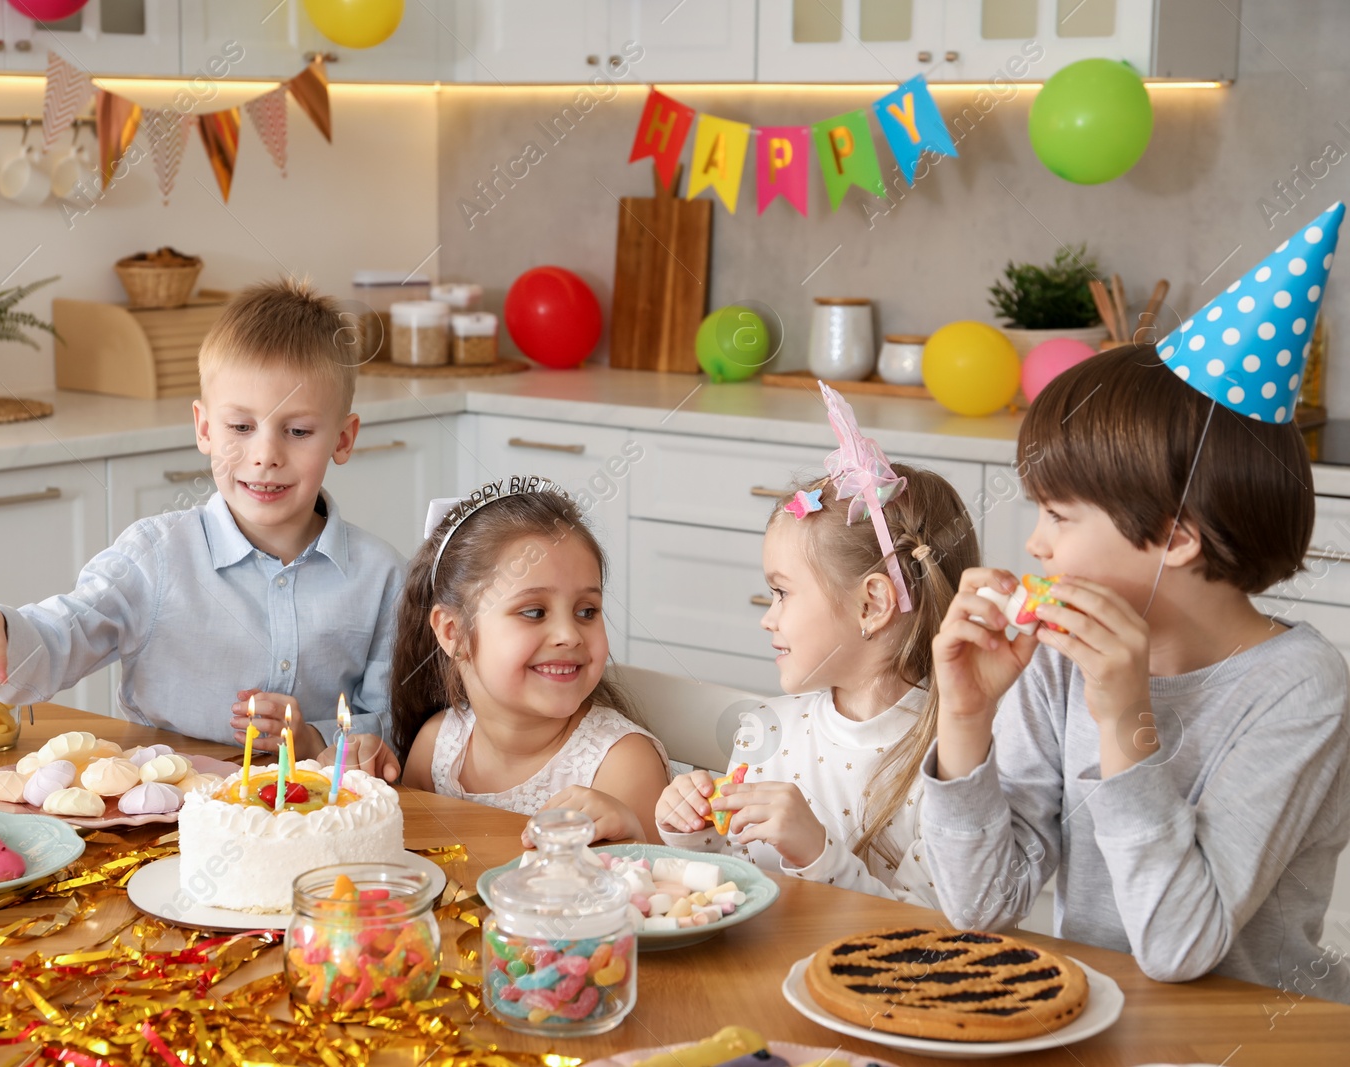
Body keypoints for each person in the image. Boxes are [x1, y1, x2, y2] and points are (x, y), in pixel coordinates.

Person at [924, 337, 1350, 997]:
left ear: (1177, 536)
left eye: (1059, 515)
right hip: (1100, 1019)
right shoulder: (1060, 658)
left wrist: (1124, 720)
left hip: (1255, 1036)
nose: (1036, 542)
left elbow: (1180, 947)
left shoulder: (1300, 688)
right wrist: (965, 718)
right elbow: (982, 908)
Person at [0, 278, 405, 777]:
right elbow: (66, 634)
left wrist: (315, 737)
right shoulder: (156, 554)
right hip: (165, 815)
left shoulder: (383, 577)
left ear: (343, 439)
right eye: (240, 427)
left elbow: (392, 720)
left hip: (315, 818)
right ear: (205, 429)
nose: (265, 456)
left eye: (298, 432)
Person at [655, 383, 976, 906]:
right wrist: (695, 836)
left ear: (871, 604)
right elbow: (738, 894)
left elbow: (924, 938)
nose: (768, 619)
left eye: (781, 593)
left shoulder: (952, 763)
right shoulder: (766, 732)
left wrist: (816, 854)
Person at [393, 480, 670, 843]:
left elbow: (652, 892)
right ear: (453, 633)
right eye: (535, 612)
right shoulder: (436, 747)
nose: (569, 635)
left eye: (586, 611)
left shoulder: (622, 765)